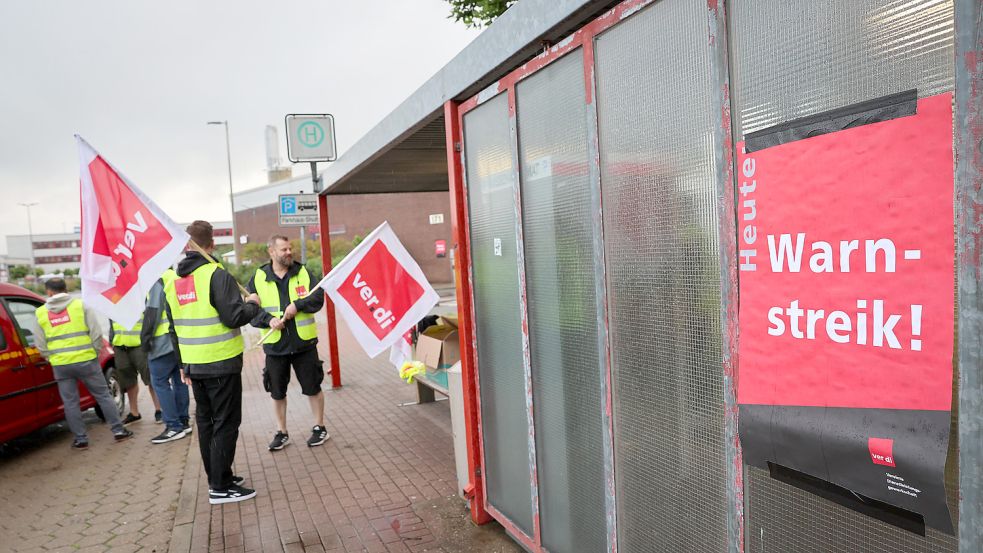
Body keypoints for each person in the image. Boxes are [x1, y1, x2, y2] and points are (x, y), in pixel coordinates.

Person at [165, 220, 264, 504]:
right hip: (220, 361)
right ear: (211, 244)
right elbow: (233, 317)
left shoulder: (175, 280)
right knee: (225, 422)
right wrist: (253, 304)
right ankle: (220, 487)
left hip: (195, 365)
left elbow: (174, 326)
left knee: (207, 423)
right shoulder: (215, 274)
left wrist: (182, 364)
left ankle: (218, 476)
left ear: (186, 245)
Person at [29, 278, 133, 449]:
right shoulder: (81, 306)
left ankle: (81, 439)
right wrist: (93, 352)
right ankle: (118, 431)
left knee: (70, 403)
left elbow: (40, 344)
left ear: (49, 292)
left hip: (61, 365)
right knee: (103, 396)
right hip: (86, 360)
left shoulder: (40, 313)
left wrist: (51, 358)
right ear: (65, 289)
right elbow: (96, 333)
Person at [248, 235, 328, 451]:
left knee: (313, 386)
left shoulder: (302, 272)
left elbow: (318, 297)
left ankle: (320, 427)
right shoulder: (258, 277)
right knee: (277, 391)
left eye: (290, 248)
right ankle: (281, 432)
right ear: (271, 252)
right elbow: (250, 310)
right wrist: (268, 320)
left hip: (304, 344)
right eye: (283, 249)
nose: (289, 252)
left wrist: (298, 305)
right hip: (275, 346)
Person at [141, 267, 191, 444]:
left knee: (159, 382)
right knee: (179, 380)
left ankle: (173, 426)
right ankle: (183, 422)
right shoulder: (175, 275)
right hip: (179, 337)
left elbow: (153, 311)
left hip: (161, 341)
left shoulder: (156, 277)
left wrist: (145, 338)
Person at [109, 317, 162, 424]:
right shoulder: (113, 303)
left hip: (139, 345)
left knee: (151, 378)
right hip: (120, 346)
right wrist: (112, 340)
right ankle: (134, 413)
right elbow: (112, 325)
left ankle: (159, 410)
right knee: (128, 381)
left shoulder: (139, 301)